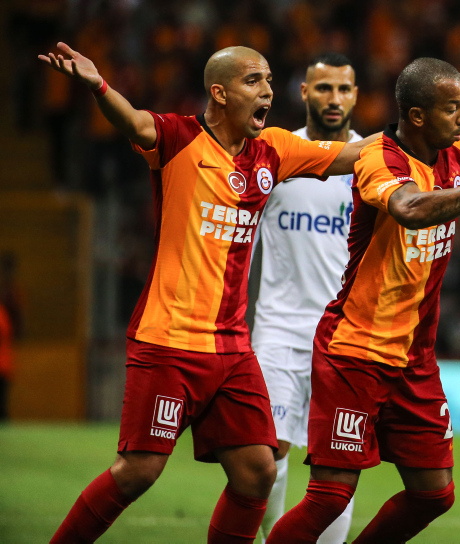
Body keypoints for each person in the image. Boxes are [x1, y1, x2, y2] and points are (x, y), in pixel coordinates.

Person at [40, 41, 371, 544]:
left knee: (257, 470)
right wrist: (99, 86)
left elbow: (350, 154)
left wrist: (424, 134)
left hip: (232, 348)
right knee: (138, 470)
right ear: (219, 92)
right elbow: (135, 123)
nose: (267, 91)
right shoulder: (179, 138)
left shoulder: (274, 150)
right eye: (253, 81)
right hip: (169, 339)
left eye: (268, 80)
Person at [266, 57, 460, 544]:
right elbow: (408, 208)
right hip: (356, 350)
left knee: (434, 493)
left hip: (413, 358)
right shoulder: (378, 158)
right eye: (452, 109)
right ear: (418, 116)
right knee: (330, 495)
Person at [250, 52, 362, 544]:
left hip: (346, 336)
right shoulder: (276, 154)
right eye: (323, 88)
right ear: (304, 93)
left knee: (338, 461)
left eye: (343, 89)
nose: (333, 99)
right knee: (266, 453)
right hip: (279, 329)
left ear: (355, 95)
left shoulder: (373, 162)